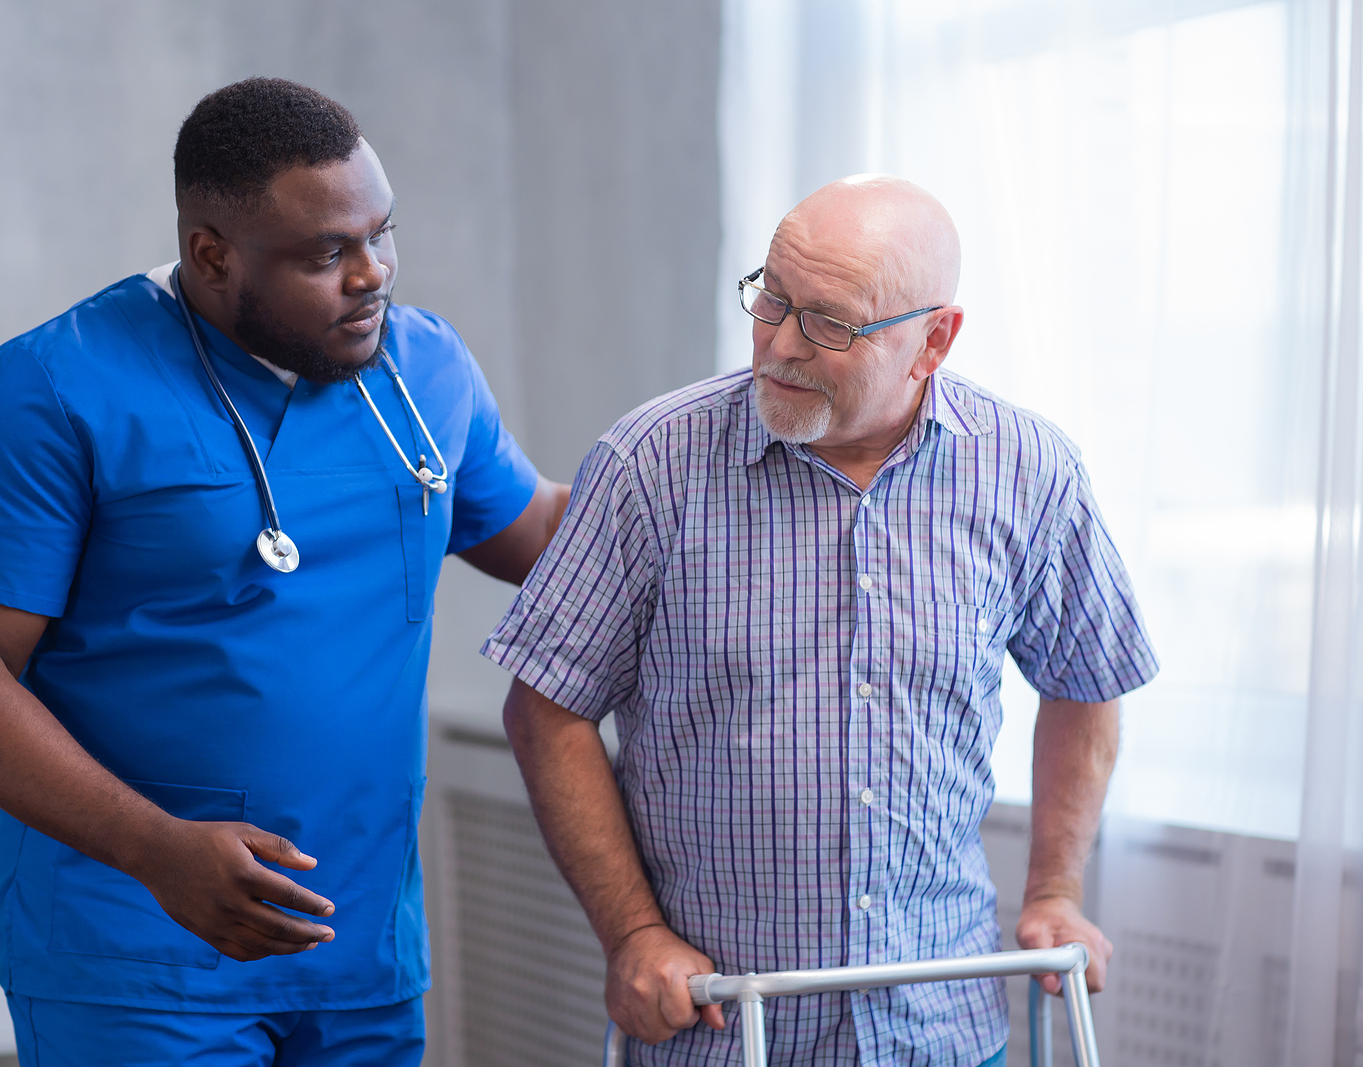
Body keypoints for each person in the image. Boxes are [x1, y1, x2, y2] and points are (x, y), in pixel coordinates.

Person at [0, 78, 567, 1067]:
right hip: (137, 952)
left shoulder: (422, 369)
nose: (371, 275)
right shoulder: (52, 389)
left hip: (357, 948)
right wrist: (153, 849)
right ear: (211, 253)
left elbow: (549, 539)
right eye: (326, 254)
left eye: (381, 236)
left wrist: (738, 458)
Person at [483, 175, 1157, 1066]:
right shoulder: (652, 462)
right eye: (772, 299)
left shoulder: (1029, 470)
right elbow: (546, 710)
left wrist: (1055, 888)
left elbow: (1087, 681)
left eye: (830, 323)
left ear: (934, 340)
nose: (780, 346)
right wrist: (633, 932)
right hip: (723, 1025)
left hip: (943, 1029)